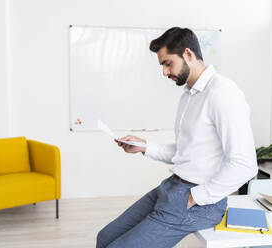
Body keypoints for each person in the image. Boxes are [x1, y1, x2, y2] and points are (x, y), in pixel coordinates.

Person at [96, 27, 258, 248]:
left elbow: (244, 164)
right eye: (162, 65)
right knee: (104, 238)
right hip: (172, 187)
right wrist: (144, 147)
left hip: (199, 201)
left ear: (188, 55)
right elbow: (188, 151)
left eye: (168, 63)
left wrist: (195, 197)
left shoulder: (223, 93)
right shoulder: (188, 96)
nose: (164, 72)